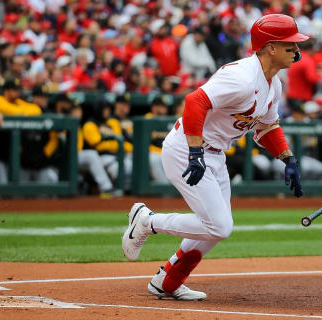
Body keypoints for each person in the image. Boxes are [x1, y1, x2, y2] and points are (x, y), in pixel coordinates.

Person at [122, 14, 306, 301]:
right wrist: (195, 152)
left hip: (215, 154)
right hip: (187, 148)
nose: (297, 51)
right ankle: (147, 220)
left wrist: (288, 158)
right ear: (270, 47)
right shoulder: (242, 78)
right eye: (290, 46)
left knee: (214, 229)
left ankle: (167, 282)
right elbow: (196, 101)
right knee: (219, 225)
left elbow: (268, 126)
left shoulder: (273, 83)